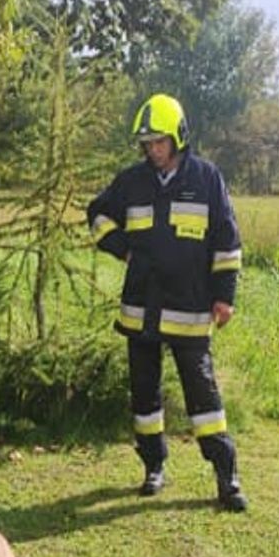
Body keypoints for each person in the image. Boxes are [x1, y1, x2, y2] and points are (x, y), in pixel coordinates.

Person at [85, 94, 247, 511]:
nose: (153, 149)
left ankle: (226, 477)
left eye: (160, 141)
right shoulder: (131, 181)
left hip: (190, 310)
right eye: (147, 143)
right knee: (144, 396)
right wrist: (122, 249)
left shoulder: (207, 178)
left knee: (203, 397)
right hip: (140, 310)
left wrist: (224, 298)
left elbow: (227, 242)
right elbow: (98, 215)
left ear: (178, 137)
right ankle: (153, 466)